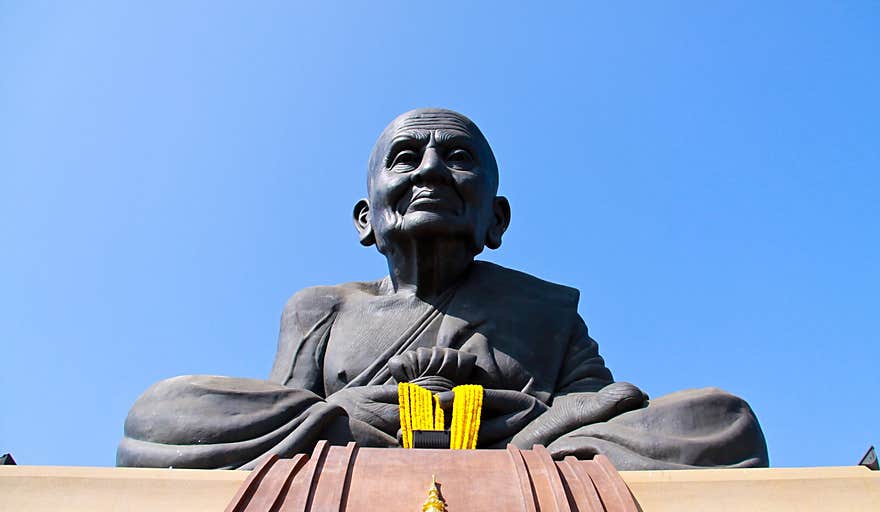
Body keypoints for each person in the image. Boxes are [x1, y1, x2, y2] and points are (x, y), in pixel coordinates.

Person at [117, 108, 768, 470]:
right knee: (161, 412)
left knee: (720, 420)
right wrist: (351, 415)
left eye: (457, 157)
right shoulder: (321, 307)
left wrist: (521, 423)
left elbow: (608, 410)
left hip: (527, 456)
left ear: (497, 218)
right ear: (365, 217)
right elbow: (286, 423)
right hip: (348, 453)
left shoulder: (545, 307)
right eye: (405, 157)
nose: (430, 168)